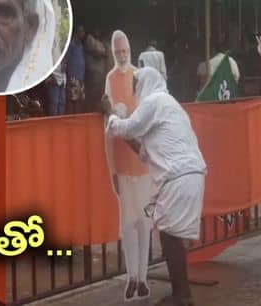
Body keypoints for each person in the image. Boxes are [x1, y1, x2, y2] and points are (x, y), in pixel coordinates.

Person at [104, 67, 207, 306]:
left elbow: (124, 127)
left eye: (136, 85)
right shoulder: (171, 106)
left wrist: (110, 114)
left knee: (170, 236)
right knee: (172, 235)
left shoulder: (155, 101)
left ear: (147, 82)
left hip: (179, 178)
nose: (134, 91)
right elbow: (143, 151)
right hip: (190, 176)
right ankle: (182, 293)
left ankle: (182, 296)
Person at [103, 31, 153, 301]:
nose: (122, 56)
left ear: (130, 50)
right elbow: (108, 125)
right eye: (117, 52)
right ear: (113, 53)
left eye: (125, 51)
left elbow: (148, 115)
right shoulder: (110, 80)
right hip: (123, 163)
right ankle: (132, 276)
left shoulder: (139, 76)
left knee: (144, 223)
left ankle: (143, 278)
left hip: (142, 161)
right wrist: (111, 167)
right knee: (128, 225)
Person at [85, 29, 109, 112]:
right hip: (93, 71)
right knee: (92, 94)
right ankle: (90, 112)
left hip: (100, 72)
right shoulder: (90, 38)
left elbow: (105, 52)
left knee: (99, 94)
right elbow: (99, 51)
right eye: (96, 29)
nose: (98, 32)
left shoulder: (101, 42)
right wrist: (104, 49)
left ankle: (96, 111)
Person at [67, 25, 86, 114]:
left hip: (80, 76)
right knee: (73, 99)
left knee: (80, 99)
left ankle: (79, 119)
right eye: (81, 31)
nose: (83, 33)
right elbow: (66, 59)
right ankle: (72, 120)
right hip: (73, 76)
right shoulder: (71, 44)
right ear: (76, 32)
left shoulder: (81, 45)